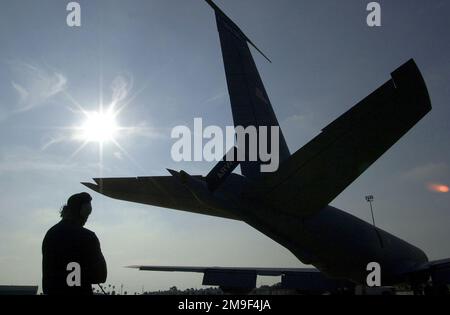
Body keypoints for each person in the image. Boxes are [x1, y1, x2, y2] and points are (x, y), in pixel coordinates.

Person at [42, 192, 107, 295]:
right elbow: (100, 276)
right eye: (87, 213)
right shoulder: (87, 236)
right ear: (82, 211)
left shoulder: (50, 234)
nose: (86, 218)